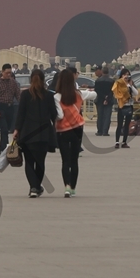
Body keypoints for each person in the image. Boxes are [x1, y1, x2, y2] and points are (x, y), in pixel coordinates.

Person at [15, 69, 58, 197]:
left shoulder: (25, 95)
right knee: (40, 162)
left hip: (27, 133)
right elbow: (54, 115)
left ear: (30, 79)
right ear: (44, 79)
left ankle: (34, 187)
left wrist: (17, 129)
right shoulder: (49, 95)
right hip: (44, 134)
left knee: (29, 162)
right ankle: (37, 187)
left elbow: (20, 114)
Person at [55, 66, 84, 196]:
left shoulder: (57, 97)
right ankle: (73, 187)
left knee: (65, 160)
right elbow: (94, 95)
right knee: (74, 159)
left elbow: (59, 116)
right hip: (77, 128)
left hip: (63, 130)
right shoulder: (78, 95)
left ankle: (66, 186)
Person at [0, 63, 20, 148]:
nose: (9, 74)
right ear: (2, 72)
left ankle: (8, 146)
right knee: (4, 129)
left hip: (10, 108)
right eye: (7, 73)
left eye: (10, 73)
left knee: (11, 129)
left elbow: (18, 95)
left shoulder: (13, 82)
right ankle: (3, 148)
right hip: (1, 107)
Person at [112, 68, 133, 146]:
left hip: (129, 105)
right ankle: (117, 142)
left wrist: (130, 86)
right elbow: (117, 94)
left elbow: (135, 93)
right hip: (122, 106)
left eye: (127, 74)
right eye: (124, 75)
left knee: (127, 125)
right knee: (120, 124)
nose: (126, 76)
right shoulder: (118, 83)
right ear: (121, 75)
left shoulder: (130, 84)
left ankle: (124, 142)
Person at [92, 66, 114, 138]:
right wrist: (107, 98)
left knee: (100, 116)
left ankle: (99, 131)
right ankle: (105, 131)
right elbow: (112, 91)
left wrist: (104, 97)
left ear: (102, 72)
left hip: (100, 100)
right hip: (109, 100)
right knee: (107, 116)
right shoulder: (112, 81)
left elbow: (97, 91)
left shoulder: (98, 81)